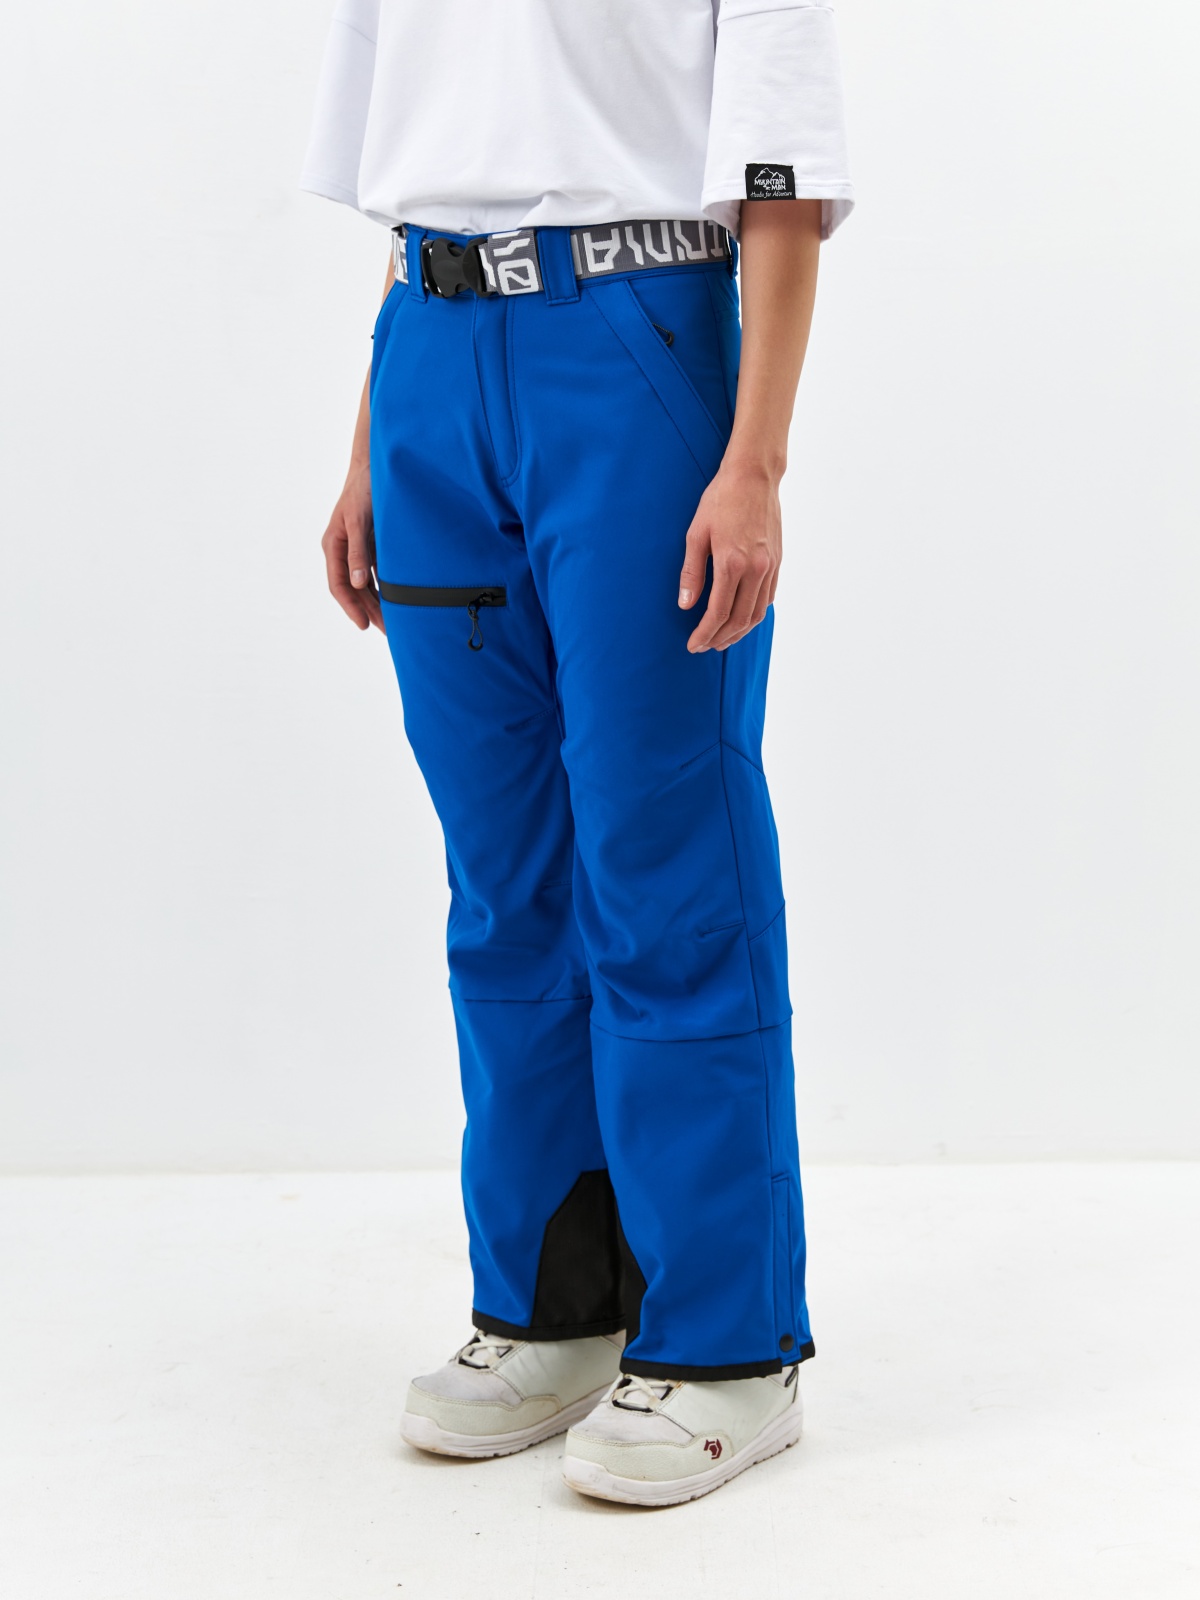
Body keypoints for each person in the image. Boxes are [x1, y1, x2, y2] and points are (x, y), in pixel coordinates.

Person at [301, 0, 853, 1507]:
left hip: (633, 344)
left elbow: (783, 182)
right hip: (430, 353)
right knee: (503, 882)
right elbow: (414, 182)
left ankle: (731, 1345)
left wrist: (755, 462)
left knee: (663, 861)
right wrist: (370, 444)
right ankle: (554, 1308)